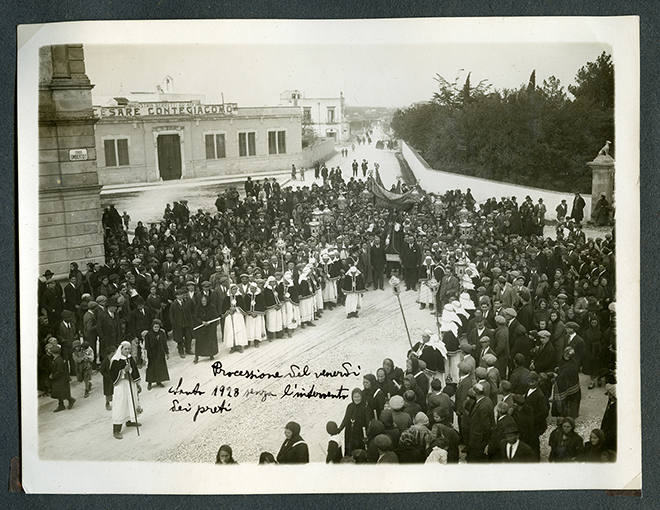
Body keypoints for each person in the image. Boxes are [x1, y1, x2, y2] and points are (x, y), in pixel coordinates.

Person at [109, 341, 142, 440]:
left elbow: (135, 370)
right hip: (121, 384)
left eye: (129, 349)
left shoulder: (129, 358)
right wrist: (123, 371)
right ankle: (116, 430)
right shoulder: (116, 360)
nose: (127, 351)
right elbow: (112, 375)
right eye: (125, 349)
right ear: (121, 349)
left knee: (131, 402)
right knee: (121, 404)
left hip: (130, 383)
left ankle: (130, 421)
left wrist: (137, 383)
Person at [338, 388, 372, 456]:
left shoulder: (365, 408)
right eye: (355, 397)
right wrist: (340, 429)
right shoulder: (350, 406)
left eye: (358, 396)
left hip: (360, 434)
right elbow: (346, 418)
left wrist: (367, 435)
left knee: (358, 453)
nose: (357, 399)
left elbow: (368, 422)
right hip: (350, 433)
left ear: (361, 397)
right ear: (352, 397)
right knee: (349, 451)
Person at [550, 347, 581, 418]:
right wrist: (559, 369)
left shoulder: (571, 365)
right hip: (572, 386)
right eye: (566, 354)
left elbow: (563, 376)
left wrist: (556, 376)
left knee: (567, 402)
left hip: (568, 387)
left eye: (568, 356)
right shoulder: (568, 361)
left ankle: (566, 417)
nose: (566, 356)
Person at [221, 283, 248, 353]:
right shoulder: (227, 298)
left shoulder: (239, 297)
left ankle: (239, 346)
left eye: (236, 289)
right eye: (233, 289)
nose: (234, 291)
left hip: (238, 316)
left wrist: (236, 309)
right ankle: (232, 346)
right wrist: (229, 310)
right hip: (230, 316)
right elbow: (223, 308)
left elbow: (243, 307)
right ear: (230, 290)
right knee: (231, 330)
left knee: (238, 329)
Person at [193, 295, 220, 363]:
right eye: (202, 301)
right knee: (200, 342)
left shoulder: (212, 306)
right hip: (201, 327)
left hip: (210, 326)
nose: (203, 302)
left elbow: (215, 316)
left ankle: (211, 354)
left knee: (210, 340)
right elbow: (195, 317)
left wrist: (209, 322)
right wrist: (202, 321)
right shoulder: (198, 307)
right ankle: (197, 356)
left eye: (205, 301)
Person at [144, 319, 170, 390]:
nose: (156, 329)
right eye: (155, 327)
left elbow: (164, 343)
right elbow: (147, 346)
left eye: (158, 327)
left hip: (160, 353)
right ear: (152, 327)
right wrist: (147, 356)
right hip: (152, 354)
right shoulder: (148, 335)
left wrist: (167, 352)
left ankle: (159, 381)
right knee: (151, 368)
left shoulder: (161, 333)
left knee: (160, 368)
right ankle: (150, 383)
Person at [49, 345, 75, 412]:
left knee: (62, 392)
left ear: (53, 353)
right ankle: (61, 404)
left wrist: (53, 376)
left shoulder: (59, 360)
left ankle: (69, 400)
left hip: (61, 379)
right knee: (59, 392)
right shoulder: (57, 359)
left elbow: (60, 371)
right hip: (60, 379)